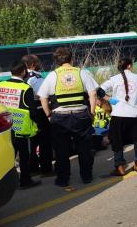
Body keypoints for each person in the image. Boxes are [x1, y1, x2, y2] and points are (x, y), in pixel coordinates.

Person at [38, 47, 98, 187]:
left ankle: (63, 179)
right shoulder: (81, 72)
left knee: (61, 150)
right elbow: (93, 93)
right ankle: (86, 176)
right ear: (72, 59)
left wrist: (48, 115)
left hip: (60, 117)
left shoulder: (53, 75)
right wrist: (93, 111)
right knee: (84, 148)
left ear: (57, 61)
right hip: (81, 115)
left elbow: (43, 97)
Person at [99, 58, 137, 175]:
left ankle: (120, 167)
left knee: (117, 141)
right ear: (130, 66)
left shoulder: (114, 79)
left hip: (118, 114)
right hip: (135, 114)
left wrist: (110, 99)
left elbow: (99, 91)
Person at [0, 61, 43, 189]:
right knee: (24, 157)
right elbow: (33, 111)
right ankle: (25, 181)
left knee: (8, 156)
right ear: (24, 72)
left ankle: (6, 184)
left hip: (5, 127)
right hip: (21, 129)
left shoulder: (0, 85)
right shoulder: (25, 88)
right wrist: (38, 124)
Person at [22, 54, 54, 176]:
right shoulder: (36, 78)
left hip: (26, 114)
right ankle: (46, 169)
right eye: (38, 62)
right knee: (45, 141)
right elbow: (44, 95)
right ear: (34, 64)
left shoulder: (22, 76)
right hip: (39, 112)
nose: (40, 64)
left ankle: (33, 167)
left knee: (32, 142)